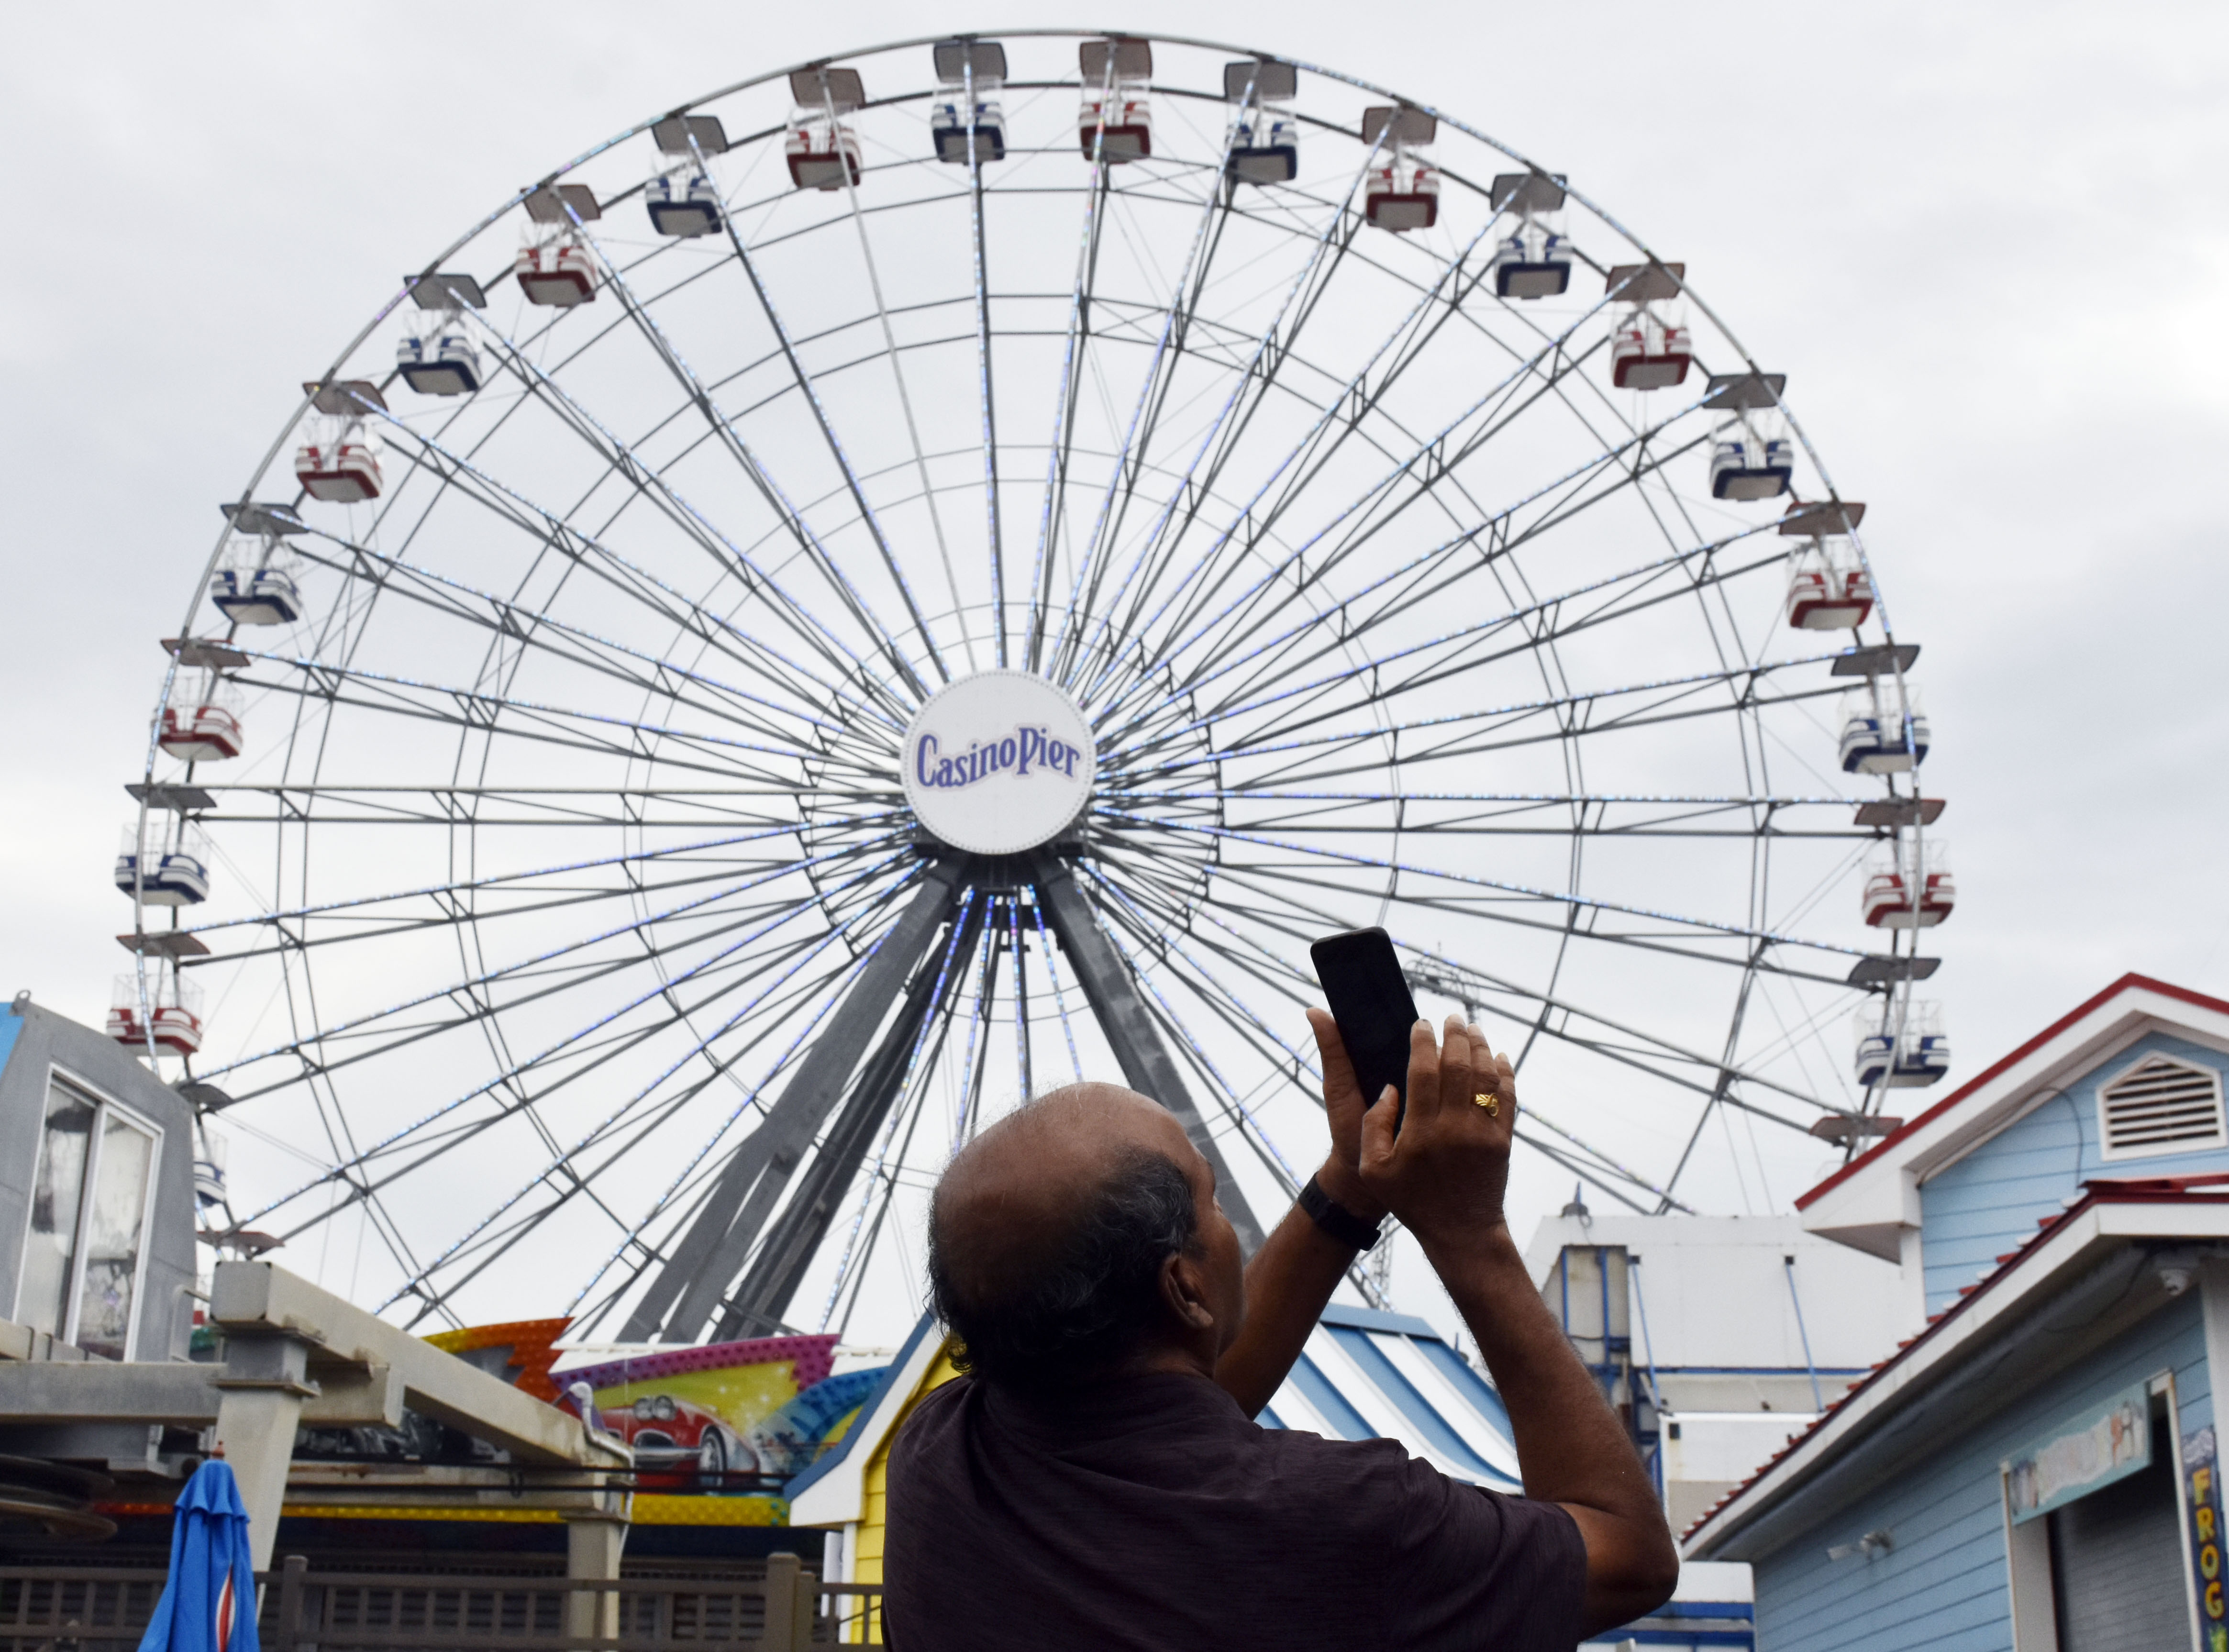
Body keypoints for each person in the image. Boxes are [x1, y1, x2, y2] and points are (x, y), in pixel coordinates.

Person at [883, 1012, 1678, 1650]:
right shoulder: (1344, 1519)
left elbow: (1174, 1411)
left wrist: (1350, 1183)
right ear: (1184, 1287)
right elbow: (1628, 1557)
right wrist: (1470, 1234)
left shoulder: (938, 1461)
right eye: (1214, 1202)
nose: (1229, 1224)